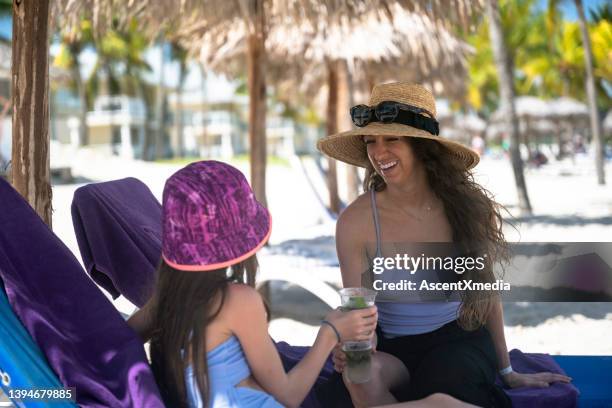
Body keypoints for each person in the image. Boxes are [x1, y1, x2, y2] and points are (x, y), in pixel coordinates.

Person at [316, 83, 571, 407]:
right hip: (391, 347)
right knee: (358, 376)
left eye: (392, 138)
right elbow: (360, 311)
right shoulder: (356, 221)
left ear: (423, 146)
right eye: (371, 141)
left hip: (456, 342)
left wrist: (506, 370)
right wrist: (358, 346)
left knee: (444, 388)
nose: (379, 153)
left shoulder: (465, 207)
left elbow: (486, 291)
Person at [128, 160, 378, 408]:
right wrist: (329, 332)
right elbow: (288, 395)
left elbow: (120, 340)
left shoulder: (166, 299)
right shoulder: (237, 300)